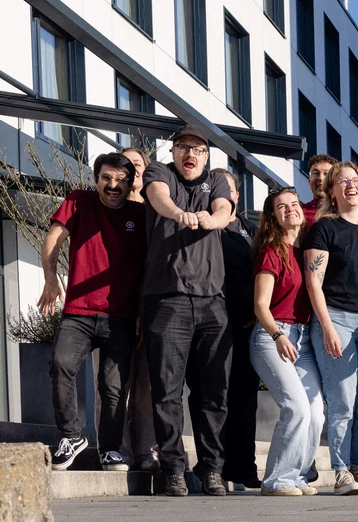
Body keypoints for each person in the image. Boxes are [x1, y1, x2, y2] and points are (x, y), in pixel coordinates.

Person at [141, 125, 236, 496]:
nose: (190, 155)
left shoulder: (216, 181)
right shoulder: (160, 172)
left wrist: (214, 219)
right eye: (183, 148)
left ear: (207, 155)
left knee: (215, 391)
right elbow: (158, 197)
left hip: (214, 302)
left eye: (197, 149)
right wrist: (180, 214)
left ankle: (212, 469)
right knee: (168, 390)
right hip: (168, 299)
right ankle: (173, 470)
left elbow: (224, 208)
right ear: (175, 151)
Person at [40, 152, 146, 472]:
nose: (113, 185)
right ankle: (71, 436)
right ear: (96, 179)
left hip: (122, 317)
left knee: (113, 387)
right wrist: (50, 279)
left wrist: (143, 311)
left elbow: (148, 267)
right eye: (106, 178)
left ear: (130, 183)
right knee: (61, 365)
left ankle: (110, 449)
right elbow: (53, 240)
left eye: (120, 180)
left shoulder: (141, 215)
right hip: (79, 313)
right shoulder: (78, 201)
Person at [303, 161, 358, 495]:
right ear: (333, 190)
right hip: (335, 319)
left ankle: (357, 469)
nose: (351, 185)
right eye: (343, 181)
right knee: (342, 401)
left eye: (356, 180)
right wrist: (326, 327)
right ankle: (339, 472)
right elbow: (313, 281)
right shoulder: (324, 229)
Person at [248, 187, 321, 497]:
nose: (290, 209)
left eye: (294, 204)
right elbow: (260, 305)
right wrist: (277, 336)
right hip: (272, 335)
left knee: (316, 411)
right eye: (282, 207)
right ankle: (277, 480)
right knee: (295, 407)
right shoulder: (272, 251)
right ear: (273, 217)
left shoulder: (305, 252)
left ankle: (298, 475)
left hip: (302, 338)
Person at [211, 168, 262, 489]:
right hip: (213, 325)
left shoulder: (251, 229)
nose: (222, 194)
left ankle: (244, 468)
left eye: (227, 188)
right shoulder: (207, 226)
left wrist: (260, 312)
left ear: (237, 195)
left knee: (246, 399)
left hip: (248, 326)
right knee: (216, 396)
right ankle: (216, 467)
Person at [119, 147, 159, 472]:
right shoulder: (111, 208)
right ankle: (118, 450)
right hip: (114, 307)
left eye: (137, 163)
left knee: (144, 383)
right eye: (126, 164)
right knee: (116, 382)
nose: (132, 169)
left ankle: (145, 450)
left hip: (149, 306)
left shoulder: (154, 209)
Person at [301, 154, 338, 225]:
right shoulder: (300, 213)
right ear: (309, 181)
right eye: (316, 173)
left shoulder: (344, 211)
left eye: (326, 174)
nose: (321, 178)